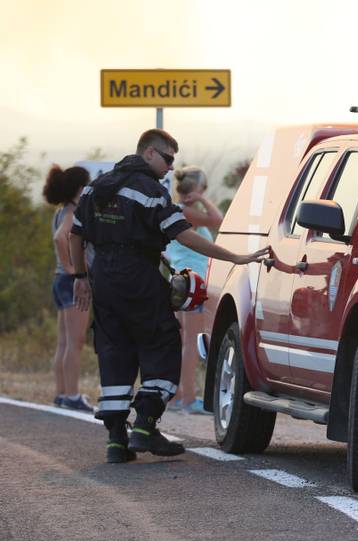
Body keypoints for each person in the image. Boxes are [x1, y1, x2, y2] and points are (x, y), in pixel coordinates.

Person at [69, 129, 269, 464]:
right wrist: (234, 257)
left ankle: (116, 440)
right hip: (138, 277)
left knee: (113, 348)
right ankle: (145, 426)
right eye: (167, 159)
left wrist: (80, 277)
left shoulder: (95, 187)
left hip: (102, 279)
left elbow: (75, 235)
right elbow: (185, 235)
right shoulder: (150, 191)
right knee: (162, 342)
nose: (171, 168)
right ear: (148, 152)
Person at [165, 166, 222, 414]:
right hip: (193, 283)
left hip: (179, 280)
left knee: (181, 341)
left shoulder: (174, 211)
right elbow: (219, 221)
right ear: (196, 188)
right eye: (203, 188)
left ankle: (177, 395)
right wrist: (203, 200)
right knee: (191, 342)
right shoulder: (188, 213)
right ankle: (188, 397)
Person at [43, 165, 94, 412]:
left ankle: (62, 393)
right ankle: (72, 396)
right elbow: (60, 238)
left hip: (59, 281)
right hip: (70, 281)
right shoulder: (73, 212)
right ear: (80, 188)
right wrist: (73, 269)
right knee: (76, 341)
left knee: (64, 342)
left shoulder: (61, 210)